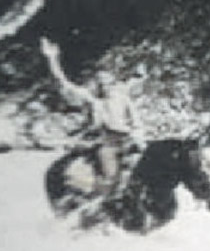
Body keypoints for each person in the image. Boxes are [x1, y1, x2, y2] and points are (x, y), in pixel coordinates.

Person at [39, 37, 141, 195]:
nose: (103, 85)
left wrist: (135, 131)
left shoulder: (121, 93)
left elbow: (134, 116)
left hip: (127, 138)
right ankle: (107, 195)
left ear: (112, 80)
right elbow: (64, 82)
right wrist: (53, 59)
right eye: (99, 81)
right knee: (109, 168)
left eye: (106, 80)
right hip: (106, 142)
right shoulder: (92, 99)